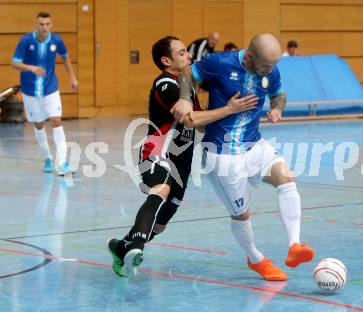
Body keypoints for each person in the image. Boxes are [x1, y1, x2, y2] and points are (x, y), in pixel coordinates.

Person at [107, 36, 258, 277]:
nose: (189, 56)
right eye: (182, 53)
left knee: (161, 223)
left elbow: (198, 126)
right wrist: (229, 109)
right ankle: (136, 245)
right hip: (157, 151)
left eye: (188, 52)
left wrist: (231, 115)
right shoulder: (165, 84)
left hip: (182, 160)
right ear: (167, 60)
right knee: (162, 189)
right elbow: (190, 119)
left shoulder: (187, 88)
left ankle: (121, 246)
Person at [177, 33, 314, 281]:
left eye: (273, 66)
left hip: (254, 144)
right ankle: (256, 259)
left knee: (287, 180)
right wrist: (186, 100)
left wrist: (276, 108)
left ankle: (295, 246)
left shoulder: (270, 70)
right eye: (265, 66)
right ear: (250, 56)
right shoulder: (220, 62)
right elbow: (187, 73)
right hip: (222, 154)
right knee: (242, 214)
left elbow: (278, 93)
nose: (270, 71)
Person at [11, 11, 78, 175]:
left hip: (50, 89)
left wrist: (72, 77)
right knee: (39, 124)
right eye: (41, 24)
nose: (44, 27)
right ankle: (47, 157)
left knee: (56, 120)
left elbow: (65, 58)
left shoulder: (56, 40)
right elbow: (14, 63)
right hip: (30, 90)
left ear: (51, 24)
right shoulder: (26, 41)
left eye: (47, 24)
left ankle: (61, 163)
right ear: (37, 24)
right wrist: (31, 68)